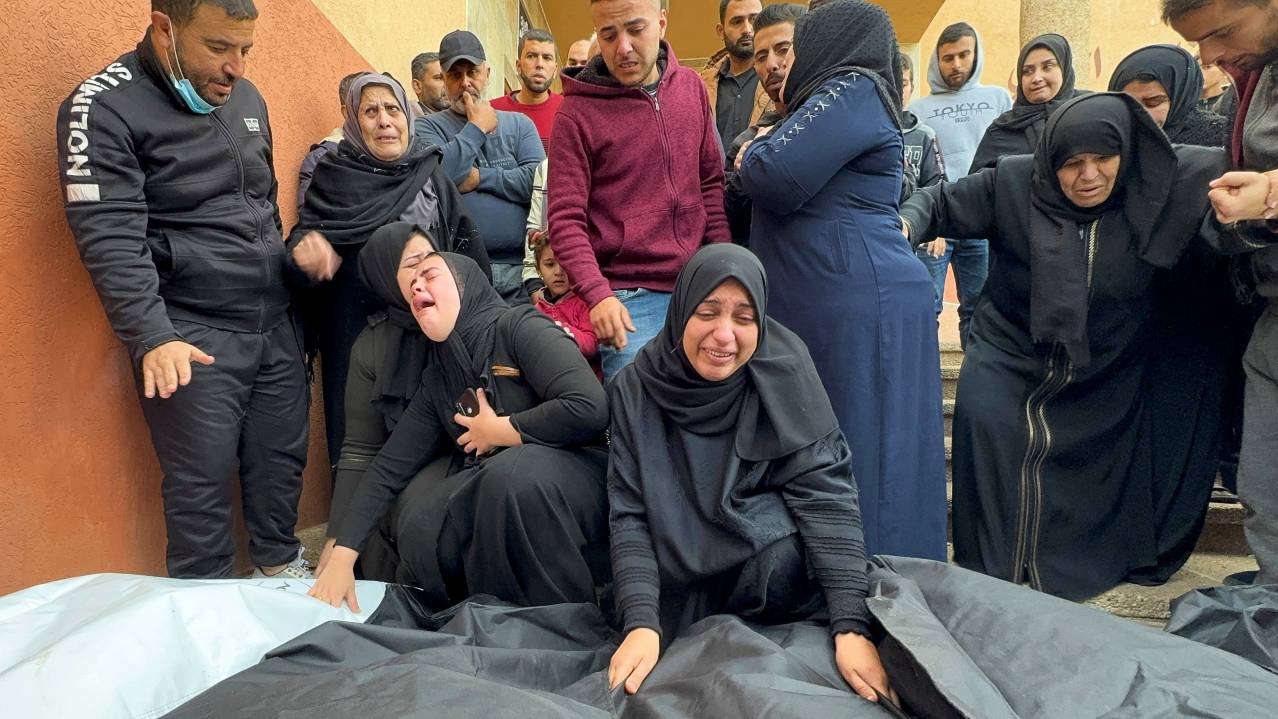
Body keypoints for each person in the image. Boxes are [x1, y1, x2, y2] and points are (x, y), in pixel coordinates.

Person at [899, 92, 1244, 598]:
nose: (1088, 176)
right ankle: (993, 567)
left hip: (1107, 371)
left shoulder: (1166, 191)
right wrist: (904, 224)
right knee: (990, 423)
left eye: (1102, 159)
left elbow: (1228, 201)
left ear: (1126, 153)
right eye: (1071, 163)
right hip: (1010, 354)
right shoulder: (1014, 183)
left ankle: (1063, 571)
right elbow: (938, 201)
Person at [56, 0, 310, 579]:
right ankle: (204, 611)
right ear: (164, 28)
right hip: (189, 329)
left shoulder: (248, 98)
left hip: (273, 322)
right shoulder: (101, 106)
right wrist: (151, 335)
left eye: (245, 50)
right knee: (201, 482)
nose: (236, 68)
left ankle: (281, 570)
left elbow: (263, 205)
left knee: (279, 462)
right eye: (218, 48)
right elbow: (108, 234)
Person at [605, 244, 892, 704]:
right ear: (680, 312)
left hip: (765, 581)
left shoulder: (786, 371)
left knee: (781, 557)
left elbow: (827, 497)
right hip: (678, 582)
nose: (724, 335)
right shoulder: (634, 388)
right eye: (708, 312)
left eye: (744, 318)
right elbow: (630, 512)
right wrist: (641, 621)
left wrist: (851, 626)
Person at [738, 0, 947, 561]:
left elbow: (771, 172)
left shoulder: (851, 87)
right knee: (844, 454)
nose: (790, 61)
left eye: (798, 48)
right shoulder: (829, 102)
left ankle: (879, 591)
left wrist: (751, 147)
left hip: (862, 302)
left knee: (869, 460)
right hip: (844, 299)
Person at [309, 252, 610, 613]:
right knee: (423, 510)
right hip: (503, 485)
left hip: (576, 473)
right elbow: (389, 467)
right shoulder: (440, 374)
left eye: (430, 275)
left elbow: (589, 407)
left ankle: (563, 621)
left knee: (509, 475)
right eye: (412, 284)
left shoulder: (519, 326)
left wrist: (501, 430)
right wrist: (343, 556)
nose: (417, 285)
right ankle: (488, 616)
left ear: (465, 284)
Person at [290, 72, 489, 469]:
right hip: (355, 337)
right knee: (360, 447)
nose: (384, 121)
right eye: (371, 111)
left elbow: (467, 251)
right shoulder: (332, 176)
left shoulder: (430, 172)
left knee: (433, 445)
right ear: (352, 120)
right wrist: (304, 256)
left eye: (393, 109)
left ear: (407, 116)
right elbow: (301, 250)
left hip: (428, 334)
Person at [549, 0, 730, 381]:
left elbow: (710, 183)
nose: (623, 47)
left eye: (636, 29)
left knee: (711, 421)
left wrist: (721, 264)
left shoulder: (693, 88)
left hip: (699, 288)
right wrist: (598, 294)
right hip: (628, 302)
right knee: (638, 428)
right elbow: (565, 220)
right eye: (609, 34)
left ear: (662, 23)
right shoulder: (575, 115)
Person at [1166, 0, 1278, 587]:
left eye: (1221, 33)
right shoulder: (1253, 73)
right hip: (1269, 314)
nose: (1208, 56)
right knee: (1264, 493)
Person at [316, 222, 442, 582]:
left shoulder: (460, 321)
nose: (424, 275)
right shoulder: (371, 346)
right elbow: (359, 448)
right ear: (386, 276)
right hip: (399, 472)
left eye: (429, 261)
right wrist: (337, 536)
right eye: (410, 264)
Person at [417, 30, 545, 305]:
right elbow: (439, 180)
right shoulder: (427, 127)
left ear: (487, 72)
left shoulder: (519, 124)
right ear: (444, 78)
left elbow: (537, 183)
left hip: (522, 273)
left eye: (472, 72)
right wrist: (477, 128)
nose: (465, 83)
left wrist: (478, 178)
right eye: (455, 74)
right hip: (459, 272)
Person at [906, 22, 1010, 348]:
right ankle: (923, 387)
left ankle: (975, 388)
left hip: (981, 222)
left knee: (978, 308)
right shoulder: (918, 110)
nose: (956, 65)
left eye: (964, 55)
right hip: (936, 222)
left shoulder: (997, 99)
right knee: (925, 305)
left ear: (975, 53)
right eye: (947, 58)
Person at [724, 2, 806, 245]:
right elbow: (734, 222)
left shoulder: (847, 114)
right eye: (761, 56)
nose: (771, 64)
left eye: (783, 50)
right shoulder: (747, 142)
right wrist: (746, 169)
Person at [969, 34, 1087, 173]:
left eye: (1047, 66)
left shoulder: (1088, 110)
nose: (1036, 78)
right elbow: (980, 187)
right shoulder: (1002, 129)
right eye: (1027, 71)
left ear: (1064, 68)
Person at [1110, 44, 1230, 146]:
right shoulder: (1107, 136)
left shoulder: (1221, 137)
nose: (1138, 114)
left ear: (1180, 99)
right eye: (1127, 103)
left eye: (1152, 103)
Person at [699, 0, 771, 161]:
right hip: (715, 183)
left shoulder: (777, 79)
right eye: (737, 21)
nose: (747, 29)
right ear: (720, 30)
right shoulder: (701, 86)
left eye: (754, 19)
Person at [531, 235, 602, 381]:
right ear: (538, 269)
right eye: (550, 264)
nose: (558, 272)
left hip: (584, 382)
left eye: (566, 264)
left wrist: (558, 329)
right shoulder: (536, 311)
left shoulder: (584, 303)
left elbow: (591, 345)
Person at [297, 71, 367, 210]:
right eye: (369, 108)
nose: (382, 117)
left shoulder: (393, 151)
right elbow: (313, 219)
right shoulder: (323, 159)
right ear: (347, 112)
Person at [491, 29, 564, 152]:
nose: (539, 64)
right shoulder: (492, 111)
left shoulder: (567, 110)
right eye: (531, 56)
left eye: (547, 58)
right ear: (518, 66)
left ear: (555, 70)